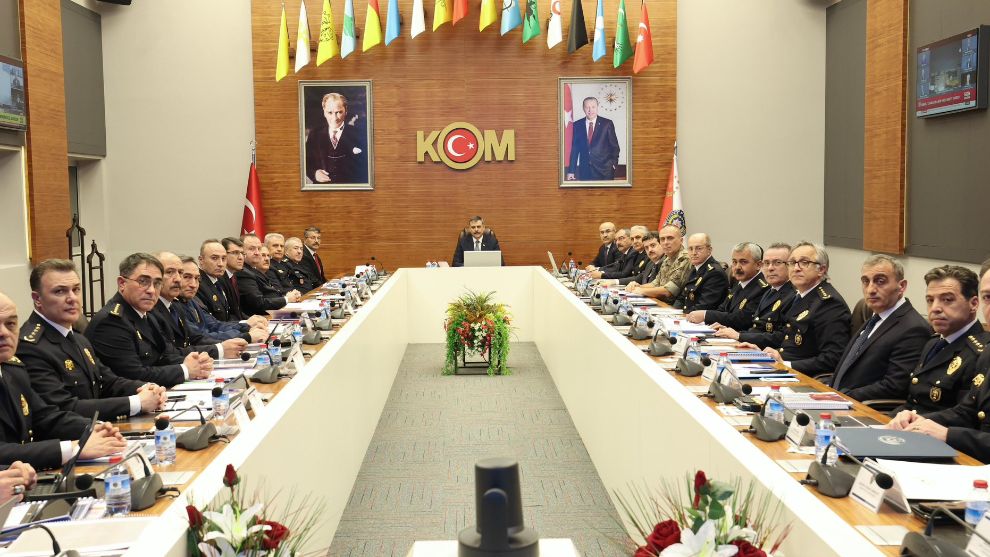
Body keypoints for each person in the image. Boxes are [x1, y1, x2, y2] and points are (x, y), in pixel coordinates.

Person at [16, 259, 166, 421]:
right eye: (60, 291)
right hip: (73, 434)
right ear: (37, 299)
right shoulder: (30, 347)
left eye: (76, 289)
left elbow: (108, 382)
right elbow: (63, 408)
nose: (72, 298)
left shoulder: (77, 337)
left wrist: (148, 389)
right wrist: (136, 403)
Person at [0, 292, 127, 470]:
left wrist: (92, 429)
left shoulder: (12, 369)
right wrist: (72, 449)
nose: (4, 333)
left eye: (10, 324)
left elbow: (45, 417)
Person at [886, 262, 990, 459]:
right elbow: (967, 410)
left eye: (947, 300)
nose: (935, 309)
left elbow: (970, 423)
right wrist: (915, 419)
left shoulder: (979, 351)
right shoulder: (936, 343)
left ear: (973, 304)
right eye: (989, 297)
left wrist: (947, 434)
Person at [85, 253, 213, 388]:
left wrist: (195, 362)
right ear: (122, 283)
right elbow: (133, 375)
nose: (151, 290)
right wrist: (185, 370)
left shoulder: (147, 314)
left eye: (157, 283)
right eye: (143, 282)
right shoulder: (111, 322)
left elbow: (163, 356)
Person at [829, 255, 930, 401]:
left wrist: (842, 397)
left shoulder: (913, 329)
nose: (870, 289)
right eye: (866, 281)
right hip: (838, 399)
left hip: (861, 407)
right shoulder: (876, 317)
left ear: (901, 286)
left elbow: (894, 386)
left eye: (880, 281)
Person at [749, 242, 851, 375]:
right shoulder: (801, 296)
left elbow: (833, 358)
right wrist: (760, 352)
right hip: (783, 367)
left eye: (804, 262)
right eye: (792, 262)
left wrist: (786, 364)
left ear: (821, 269)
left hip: (805, 376)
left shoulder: (828, 303)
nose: (796, 268)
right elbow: (787, 339)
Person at [152, 252, 243, 359]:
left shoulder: (175, 305)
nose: (178, 279)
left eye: (180, 273)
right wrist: (221, 349)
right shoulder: (152, 309)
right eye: (169, 272)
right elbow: (169, 354)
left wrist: (242, 333)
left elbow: (197, 336)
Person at [713, 243, 796, 348]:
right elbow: (758, 328)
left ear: (791, 265)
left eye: (777, 262)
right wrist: (733, 333)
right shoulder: (770, 292)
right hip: (757, 348)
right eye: (766, 263)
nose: (770, 268)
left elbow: (781, 337)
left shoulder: (793, 295)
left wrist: (739, 336)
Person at [176, 257, 265, 343]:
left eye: (196, 278)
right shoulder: (174, 306)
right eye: (186, 277)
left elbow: (214, 325)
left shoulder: (191, 301)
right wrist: (246, 336)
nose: (193, 284)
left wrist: (246, 326)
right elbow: (201, 337)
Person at [688, 242, 768, 330]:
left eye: (743, 262)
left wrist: (706, 315)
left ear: (758, 265)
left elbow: (743, 319)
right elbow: (722, 309)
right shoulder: (739, 282)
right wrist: (715, 322)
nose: (737, 267)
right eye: (734, 262)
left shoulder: (763, 288)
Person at [304, 92, 368, 185]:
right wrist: (315, 173)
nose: (334, 118)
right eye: (330, 112)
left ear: (346, 111)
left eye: (339, 112)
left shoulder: (360, 134)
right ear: (324, 112)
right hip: (322, 190)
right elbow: (306, 162)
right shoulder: (314, 135)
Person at [237, 234, 302, 315]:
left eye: (259, 249)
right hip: (261, 317)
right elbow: (259, 304)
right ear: (241, 251)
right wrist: (287, 299)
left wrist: (289, 297)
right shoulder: (243, 272)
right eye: (251, 249)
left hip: (272, 312)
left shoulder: (253, 270)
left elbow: (273, 293)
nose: (257, 253)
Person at [628, 225, 691, 303]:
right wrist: (637, 286)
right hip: (664, 304)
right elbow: (655, 283)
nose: (665, 242)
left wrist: (641, 290)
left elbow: (668, 291)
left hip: (675, 306)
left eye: (670, 238)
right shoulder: (667, 258)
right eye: (662, 239)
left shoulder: (685, 258)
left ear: (681, 241)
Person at [565, 97, 620, 181]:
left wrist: (613, 164)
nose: (590, 110)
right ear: (583, 108)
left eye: (593, 107)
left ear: (597, 107)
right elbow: (575, 149)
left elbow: (615, 147)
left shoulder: (607, 124)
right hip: (585, 171)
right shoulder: (577, 125)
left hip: (605, 171)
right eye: (587, 107)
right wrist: (571, 171)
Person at [673, 233, 729, 312]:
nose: (694, 253)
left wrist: (683, 315)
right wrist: (672, 312)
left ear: (709, 250)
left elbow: (704, 307)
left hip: (700, 318)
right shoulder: (695, 268)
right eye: (690, 248)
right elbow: (682, 298)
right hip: (687, 315)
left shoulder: (715, 273)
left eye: (698, 248)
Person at [196, 239, 238, 322]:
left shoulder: (221, 280)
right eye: (214, 258)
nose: (220, 264)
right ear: (201, 260)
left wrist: (245, 323)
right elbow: (211, 323)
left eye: (223, 258)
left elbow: (230, 314)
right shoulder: (197, 284)